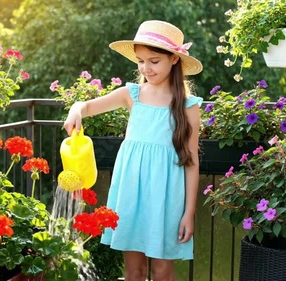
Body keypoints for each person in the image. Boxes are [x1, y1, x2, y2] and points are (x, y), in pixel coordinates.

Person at [63, 20, 203, 281]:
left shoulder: (188, 106)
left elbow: (192, 162)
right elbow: (87, 106)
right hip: (131, 192)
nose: (145, 68)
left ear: (174, 59)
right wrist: (76, 111)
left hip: (168, 197)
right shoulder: (132, 94)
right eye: (140, 61)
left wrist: (189, 213)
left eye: (153, 61)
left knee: (162, 271)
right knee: (134, 272)